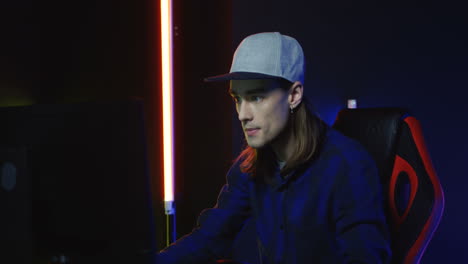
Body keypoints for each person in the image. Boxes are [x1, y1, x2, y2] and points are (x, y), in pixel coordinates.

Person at [157, 32, 391, 264]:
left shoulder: (347, 165)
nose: (242, 114)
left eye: (256, 97)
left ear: (294, 95)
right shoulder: (250, 166)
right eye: (237, 98)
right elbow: (209, 239)